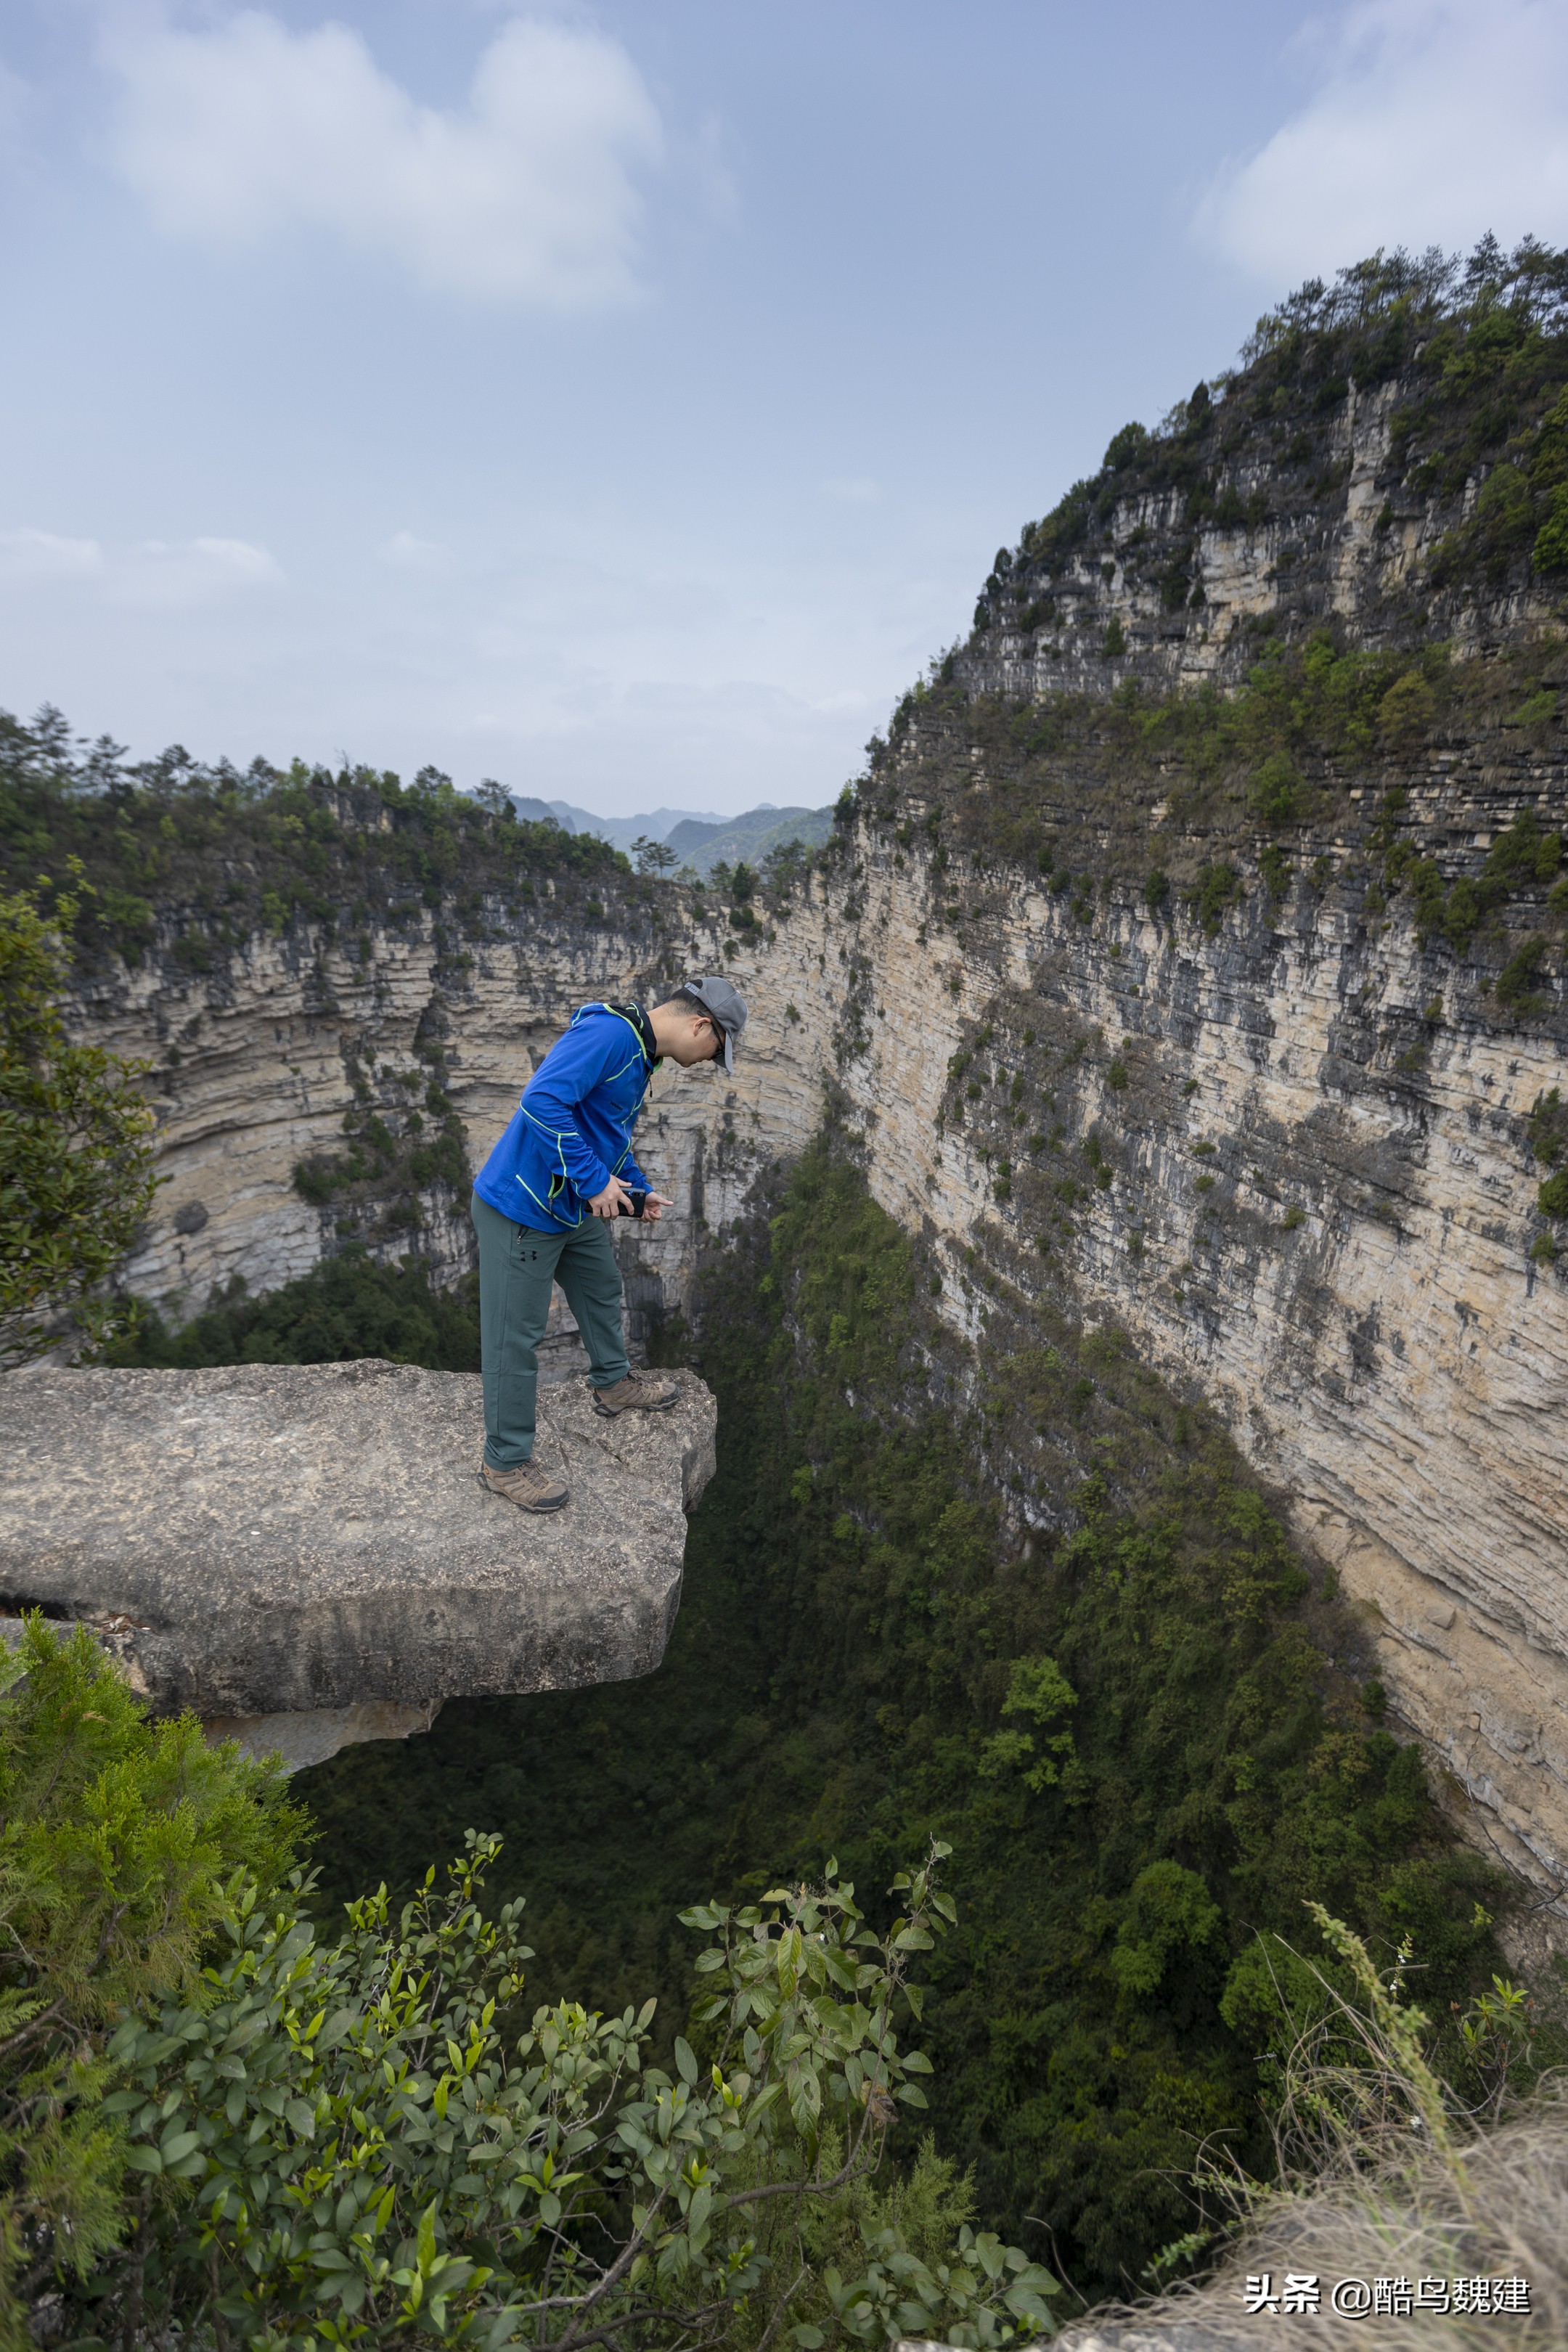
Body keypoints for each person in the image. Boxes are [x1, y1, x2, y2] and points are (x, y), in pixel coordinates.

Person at [469, 976, 748, 1513]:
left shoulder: (641, 1054)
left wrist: (634, 1192)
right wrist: (595, 1181)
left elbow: (604, 1133)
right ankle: (504, 1462)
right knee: (514, 1338)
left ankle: (613, 1383)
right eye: (717, 1050)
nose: (712, 1062)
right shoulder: (610, 1036)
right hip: (522, 1208)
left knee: (600, 1286)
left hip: (568, 1205)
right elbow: (541, 1100)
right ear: (700, 1025)